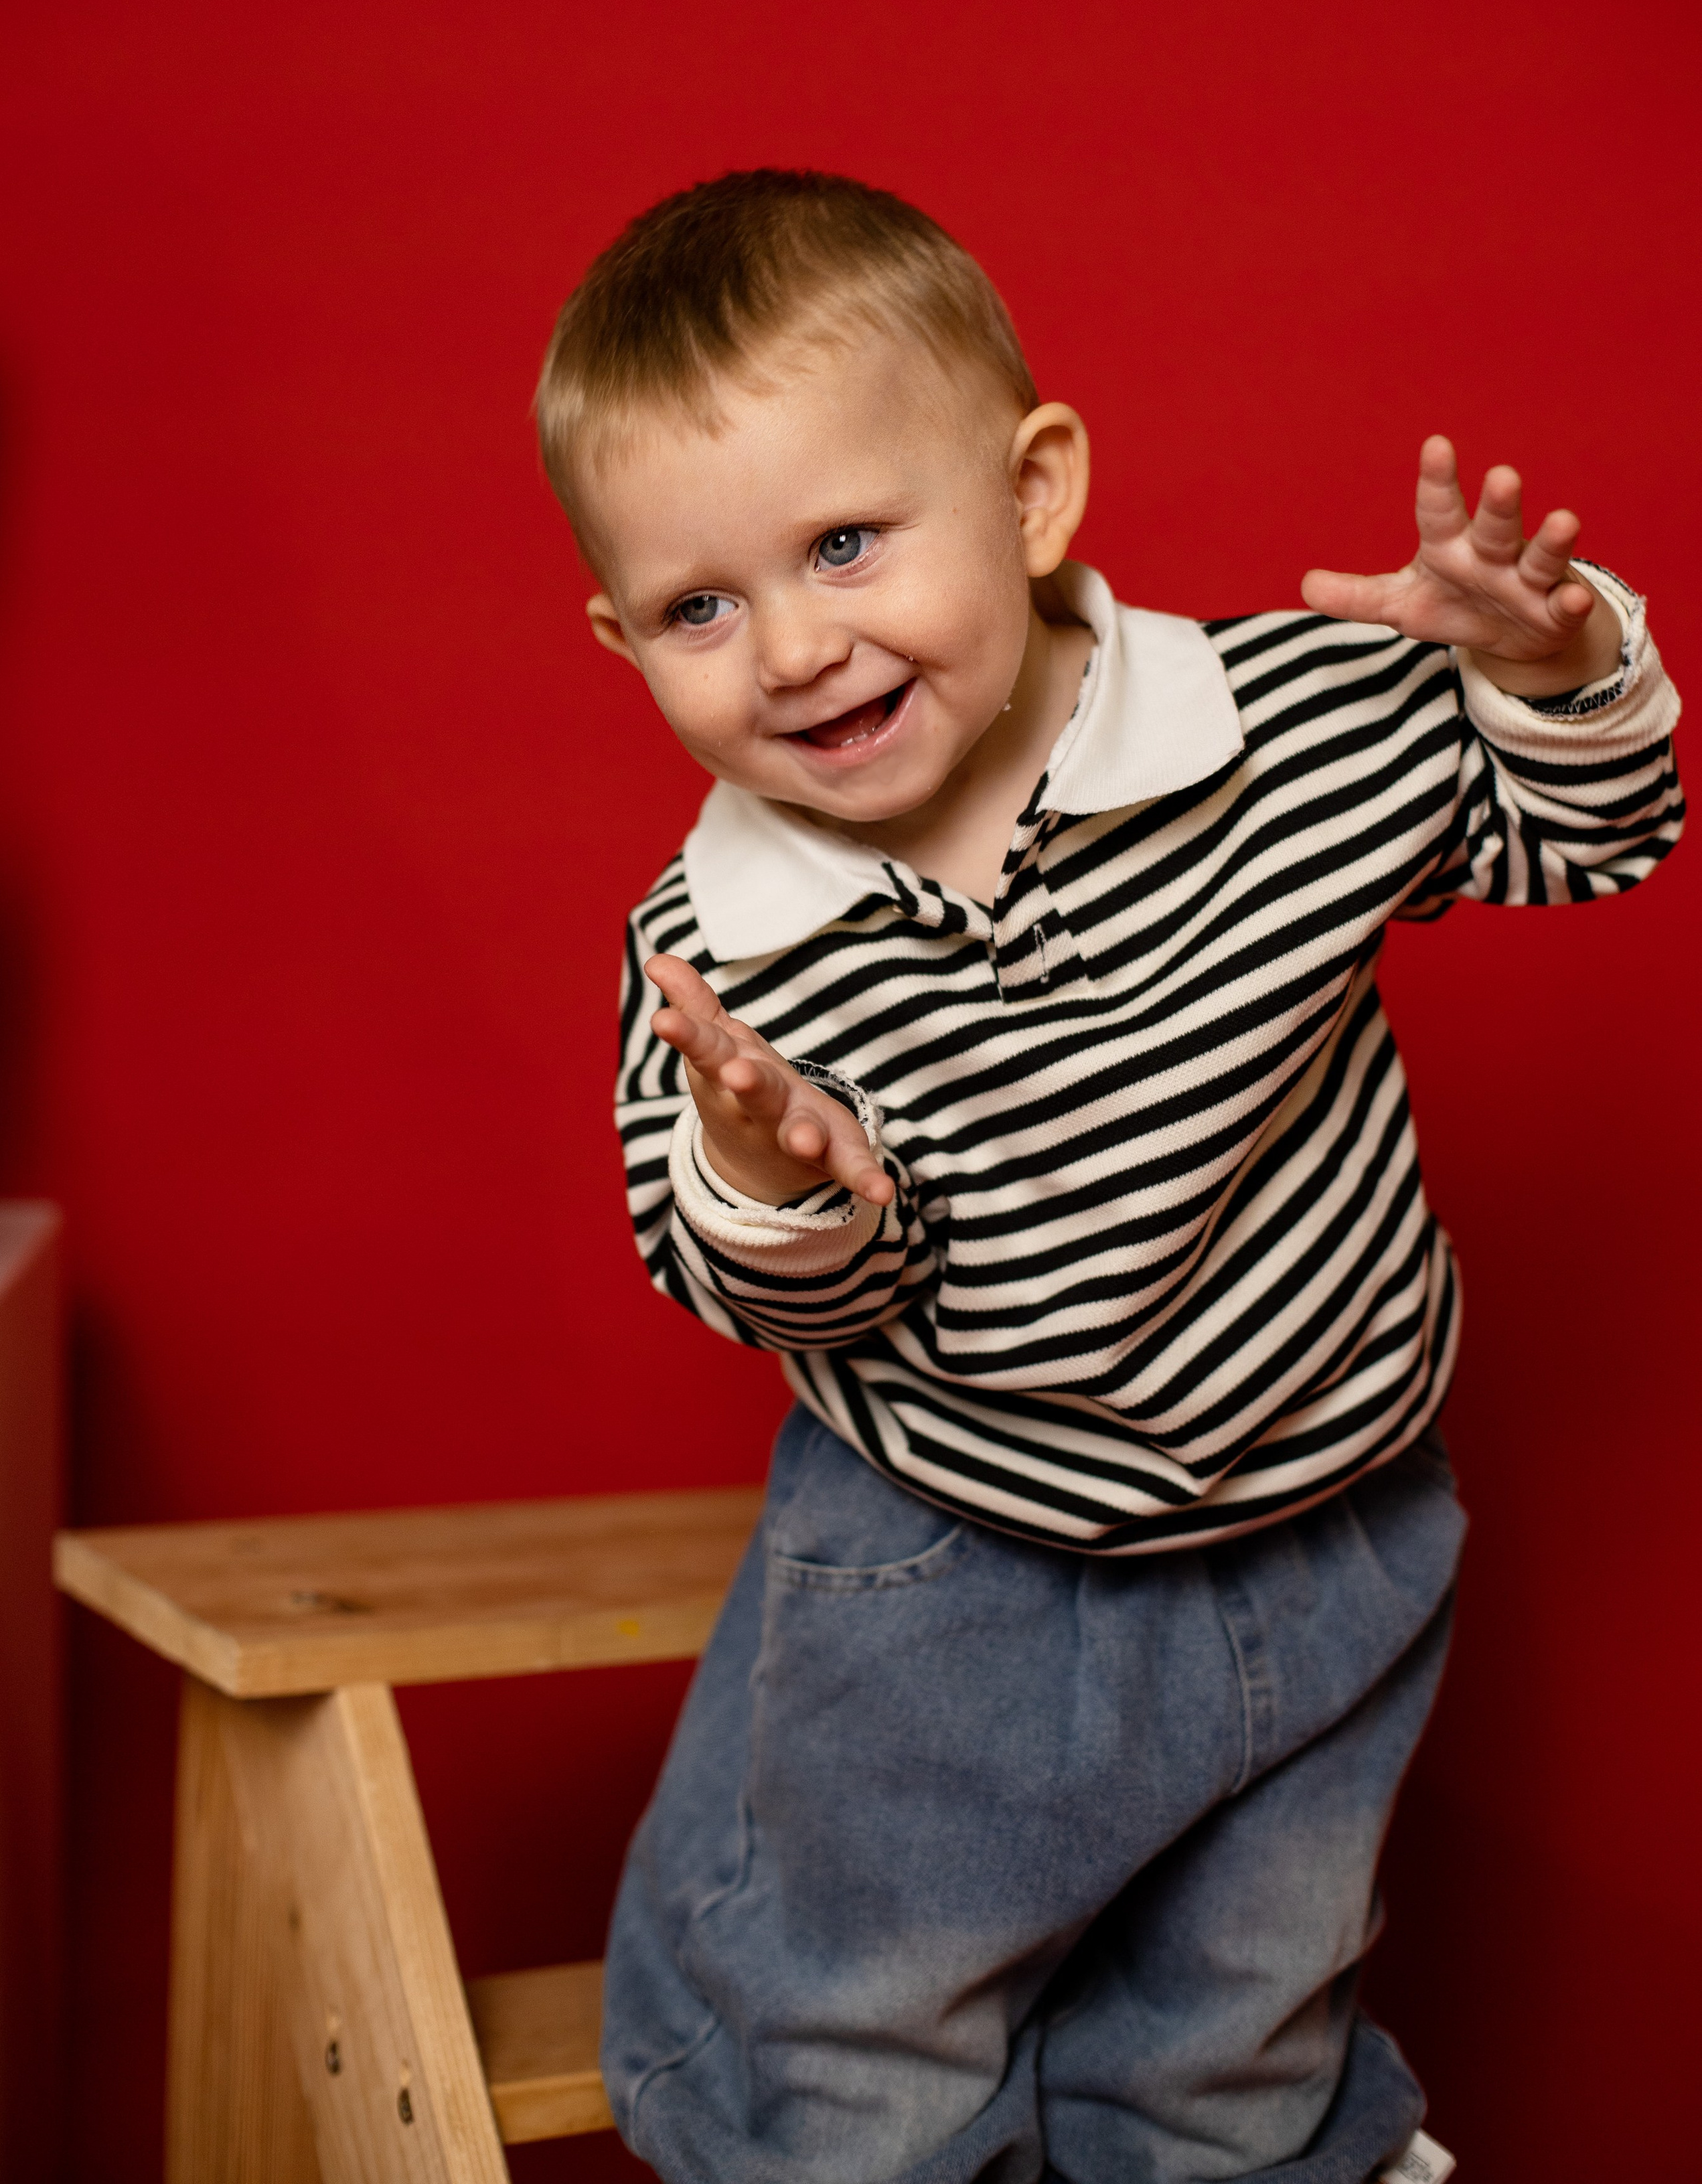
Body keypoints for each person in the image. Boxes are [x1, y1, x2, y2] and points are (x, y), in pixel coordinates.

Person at [533, 169, 1681, 2184]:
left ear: (1035, 490)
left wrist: (1551, 668)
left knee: (1239, 2039)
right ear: (623, 639)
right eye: (703, 608)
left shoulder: (1289, 733)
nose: (795, 647)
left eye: (846, 544)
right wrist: (779, 1173)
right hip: (965, 1558)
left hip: (1335, 1519)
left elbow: (1585, 832)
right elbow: (757, 1279)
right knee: (857, 2043)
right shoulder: (724, 959)